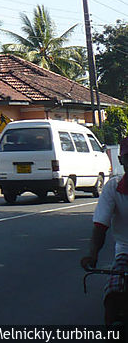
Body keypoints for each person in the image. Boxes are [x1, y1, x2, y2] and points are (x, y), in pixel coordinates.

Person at [81, 137, 128, 324]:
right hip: (126, 251)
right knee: (113, 297)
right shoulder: (113, 188)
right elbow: (100, 226)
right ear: (121, 160)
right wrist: (92, 255)